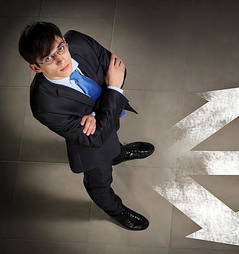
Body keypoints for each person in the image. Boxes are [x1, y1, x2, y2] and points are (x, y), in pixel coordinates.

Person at [18, 21, 153, 231]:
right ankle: (116, 210)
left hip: (104, 120)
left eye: (60, 48)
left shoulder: (79, 42)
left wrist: (94, 113)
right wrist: (113, 89)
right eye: (48, 58)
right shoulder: (44, 105)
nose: (61, 59)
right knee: (99, 182)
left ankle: (116, 153)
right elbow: (95, 137)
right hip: (90, 147)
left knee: (111, 135)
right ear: (35, 67)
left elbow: (119, 69)